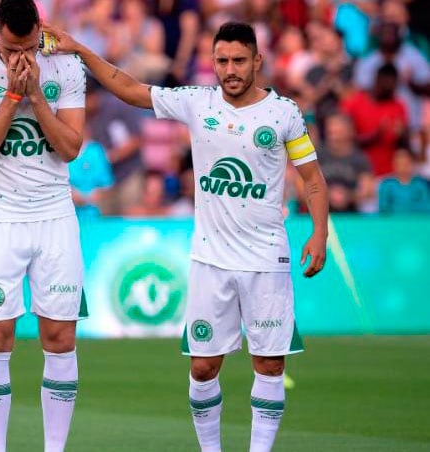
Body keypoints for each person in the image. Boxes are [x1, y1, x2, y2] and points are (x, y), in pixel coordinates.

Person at [45, 20, 329, 452]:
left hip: (266, 259)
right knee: (202, 367)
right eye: (221, 61)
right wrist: (81, 50)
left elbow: (313, 180)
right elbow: (133, 89)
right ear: (212, 63)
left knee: (269, 363)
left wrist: (319, 234)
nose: (230, 69)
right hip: (210, 260)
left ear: (257, 60)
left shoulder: (283, 113)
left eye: (238, 60)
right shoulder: (198, 102)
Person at [0, 1, 87, 451]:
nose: (20, 58)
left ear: (40, 31)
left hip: (54, 215)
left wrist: (36, 97)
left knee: (60, 335)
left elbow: (70, 148)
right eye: (10, 49)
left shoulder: (66, 65)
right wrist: (11, 97)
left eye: (27, 47)